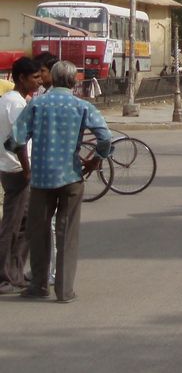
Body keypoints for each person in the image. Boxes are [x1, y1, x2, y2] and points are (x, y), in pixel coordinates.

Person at [11, 60, 112, 302]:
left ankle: (38, 285)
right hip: (71, 176)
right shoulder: (81, 106)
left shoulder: (37, 104)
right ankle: (64, 290)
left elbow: (15, 139)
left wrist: (27, 167)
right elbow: (105, 137)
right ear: (75, 80)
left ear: (52, 79)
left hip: (42, 178)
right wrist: (95, 160)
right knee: (67, 232)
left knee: (39, 232)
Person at [0, 57, 41, 293]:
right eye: (34, 78)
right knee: (12, 225)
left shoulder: (9, 100)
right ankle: (5, 276)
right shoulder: (16, 103)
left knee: (24, 223)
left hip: (11, 168)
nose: (38, 82)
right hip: (17, 170)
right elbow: (19, 141)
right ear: (22, 78)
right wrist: (27, 171)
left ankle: (15, 272)